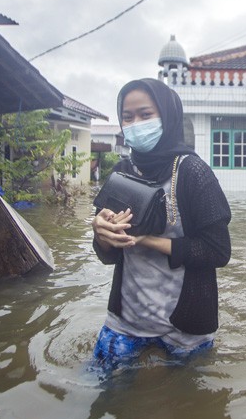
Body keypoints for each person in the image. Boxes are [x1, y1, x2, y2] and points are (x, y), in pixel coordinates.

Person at [91, 78, 231, 371]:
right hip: (127, 320)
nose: (135, 124)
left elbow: (218, 251)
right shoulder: (122, 171)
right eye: (127, 117)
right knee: (104, 397)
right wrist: (101, 234)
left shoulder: (194, 173)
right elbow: (107, 255)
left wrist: (146, 240)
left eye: (145, 115)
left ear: (167, 116)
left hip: (185, 328)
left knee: (188, 407)